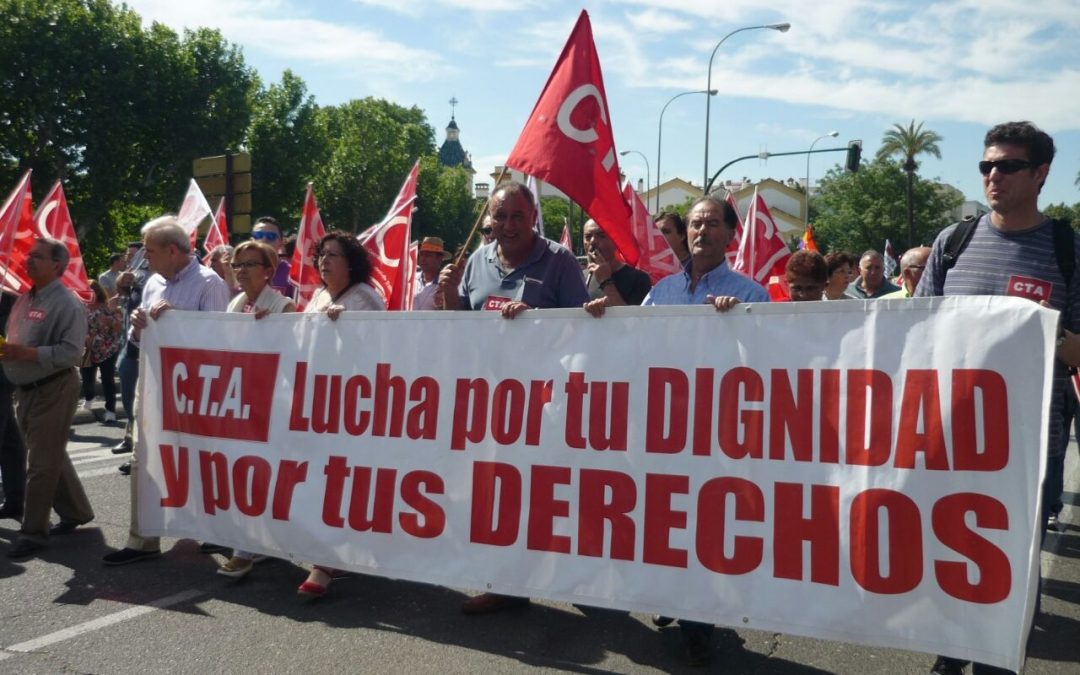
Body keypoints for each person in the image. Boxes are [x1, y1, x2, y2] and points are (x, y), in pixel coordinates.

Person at [916, 121, 1080, 675]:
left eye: (1008, 166)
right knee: (947, 547)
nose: (993, 176)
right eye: (987, 165)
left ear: (1040, 174)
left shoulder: (1067, 250)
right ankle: (949, 651)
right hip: (951, 434)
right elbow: (916, 329)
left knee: (1010, 560)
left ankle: (996, 660)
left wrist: (1039, 329)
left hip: (1029, 443)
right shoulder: (952, 242)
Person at [584, 195, 768, 666]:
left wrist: (742, 327)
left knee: (704, 523)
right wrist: (606, 317)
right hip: (662, 428)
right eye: (695, 224)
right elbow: (634, 340)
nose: (702, 231)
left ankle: (699, 623)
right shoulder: (662, 291)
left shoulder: (751, 295)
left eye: (712, 224)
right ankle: (672, 596)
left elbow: (767, 364)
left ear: (731, 235)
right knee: (664, 518)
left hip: (714, 434)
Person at [438, 181, 588, 613]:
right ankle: (508, 583)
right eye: (500, 216)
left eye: (517, 216)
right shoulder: (476, 261)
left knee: (542, 492)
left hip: (545, 401)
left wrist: (537, 322)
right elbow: (460, 327)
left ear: (533, 217)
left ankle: (573, 573)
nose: (508, 225)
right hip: (489, 399)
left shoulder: (559, 261)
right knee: (498, 490)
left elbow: (584, 329)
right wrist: (448, 296)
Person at [102, 216, 231, 566]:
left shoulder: (210, 283)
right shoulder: (152, 283)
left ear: (173, 251)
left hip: (196, 391)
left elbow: (220, 343)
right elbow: (139, 340)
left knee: (200, 460)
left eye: (150, 250)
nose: (143, 257)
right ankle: (141, 539)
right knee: (143, 457)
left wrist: (179, 320)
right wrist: (138, 328)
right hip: (155, 383)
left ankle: (218, 530)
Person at [297, 230, 383, 597]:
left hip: (355, 405)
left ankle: (326, 562)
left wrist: (347, 330)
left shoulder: (365, 298)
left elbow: (381, 349)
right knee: (320, 476)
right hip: (318, 401)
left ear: (351, 263)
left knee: (341, 478)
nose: (325, 261)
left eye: (333, 255)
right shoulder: (317, 296)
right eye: (322, 255)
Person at [2, 238, 93, 559]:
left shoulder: (67, 303)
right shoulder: (25, 297)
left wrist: (26, 354)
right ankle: (77, 512)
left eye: (37, 256)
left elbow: (72, 353)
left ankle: (33, 533)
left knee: (40, 465)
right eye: (29, 254)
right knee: (50, 454)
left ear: (57, 265)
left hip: (54, 389)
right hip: (26, 391)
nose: (29, 260)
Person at [217, 240, 295, 579]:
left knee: (258, 475)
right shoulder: (235, 303)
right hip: (240, 400)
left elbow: (293, 356)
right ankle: (253, 544)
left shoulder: (283, 306)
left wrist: (269, 334)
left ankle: (245, 551)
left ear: (268, 271)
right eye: (238, 265)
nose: (242, 271)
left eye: (250, 264)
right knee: (244, 474)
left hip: (271, 406)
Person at [113, 241, 149, 458]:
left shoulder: (172, 274)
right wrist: (121, 285)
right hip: (130, 345)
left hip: (153, 352)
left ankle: (139, 453)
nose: (132, 259)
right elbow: (128, 298)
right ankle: (131, 440)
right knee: (129, 398)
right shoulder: (138, 271)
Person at [78, 280, 123, 424]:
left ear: (97, 292)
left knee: (107, 380)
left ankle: (110, 411)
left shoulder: (108, 307)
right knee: (86, 378)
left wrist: (110, 320)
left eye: (90, 291)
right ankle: (89, 399)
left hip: (107, 350)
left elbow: (119, 327)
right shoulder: (81, 307)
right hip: (88, 350)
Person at [0, 293, 27, 523]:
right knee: (10, 443)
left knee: (11, 444)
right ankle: (15, 500)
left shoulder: (10, 295)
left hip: (5, 377)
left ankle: (15, 500)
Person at [582, 219, 651, 307]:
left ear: (615, 240)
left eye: (602, 236)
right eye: (588, 237)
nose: (593, 241)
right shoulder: (579, 277)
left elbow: (632, 316)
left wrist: (606, 282)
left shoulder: (638, 279)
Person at [252, 216, 293, 297]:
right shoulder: (241, 272)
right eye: (258, 235)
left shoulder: (293, 274)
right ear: (251, 240)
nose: (264, 240)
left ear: (281, 242)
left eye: (271, 236)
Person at [413, 237, 450, 311]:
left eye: (428, 255)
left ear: (439, 259)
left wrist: (442, 305)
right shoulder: (410, 280)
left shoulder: (446, 284)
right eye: (421, 254)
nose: (423, 258)